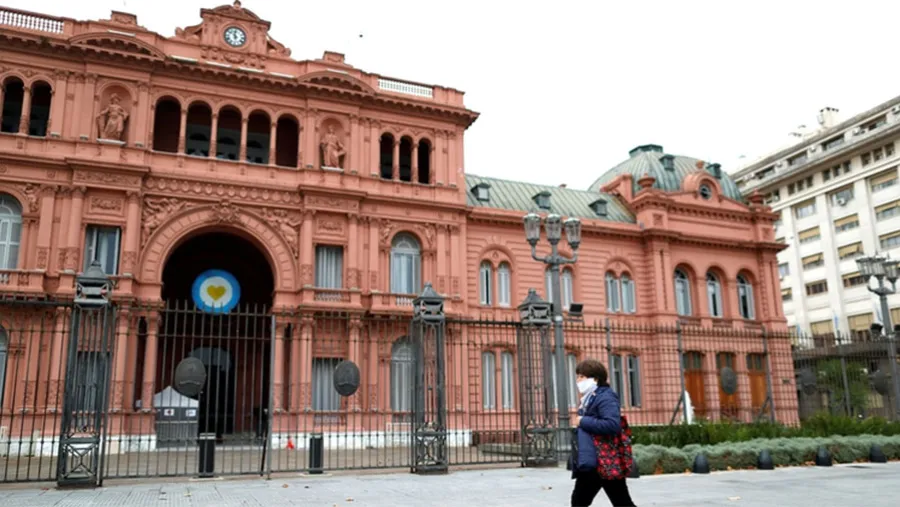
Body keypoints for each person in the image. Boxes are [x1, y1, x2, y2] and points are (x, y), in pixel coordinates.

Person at [570, 358, 636, 507]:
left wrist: (582, 421)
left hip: (605, 458)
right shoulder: (590, 398)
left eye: (581, 376)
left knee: (620, 501)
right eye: (578, 376)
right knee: (580, 501)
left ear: (595, 378)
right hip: (596, 458)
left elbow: (613, 425)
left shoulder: (606, 397)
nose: (578, 380)